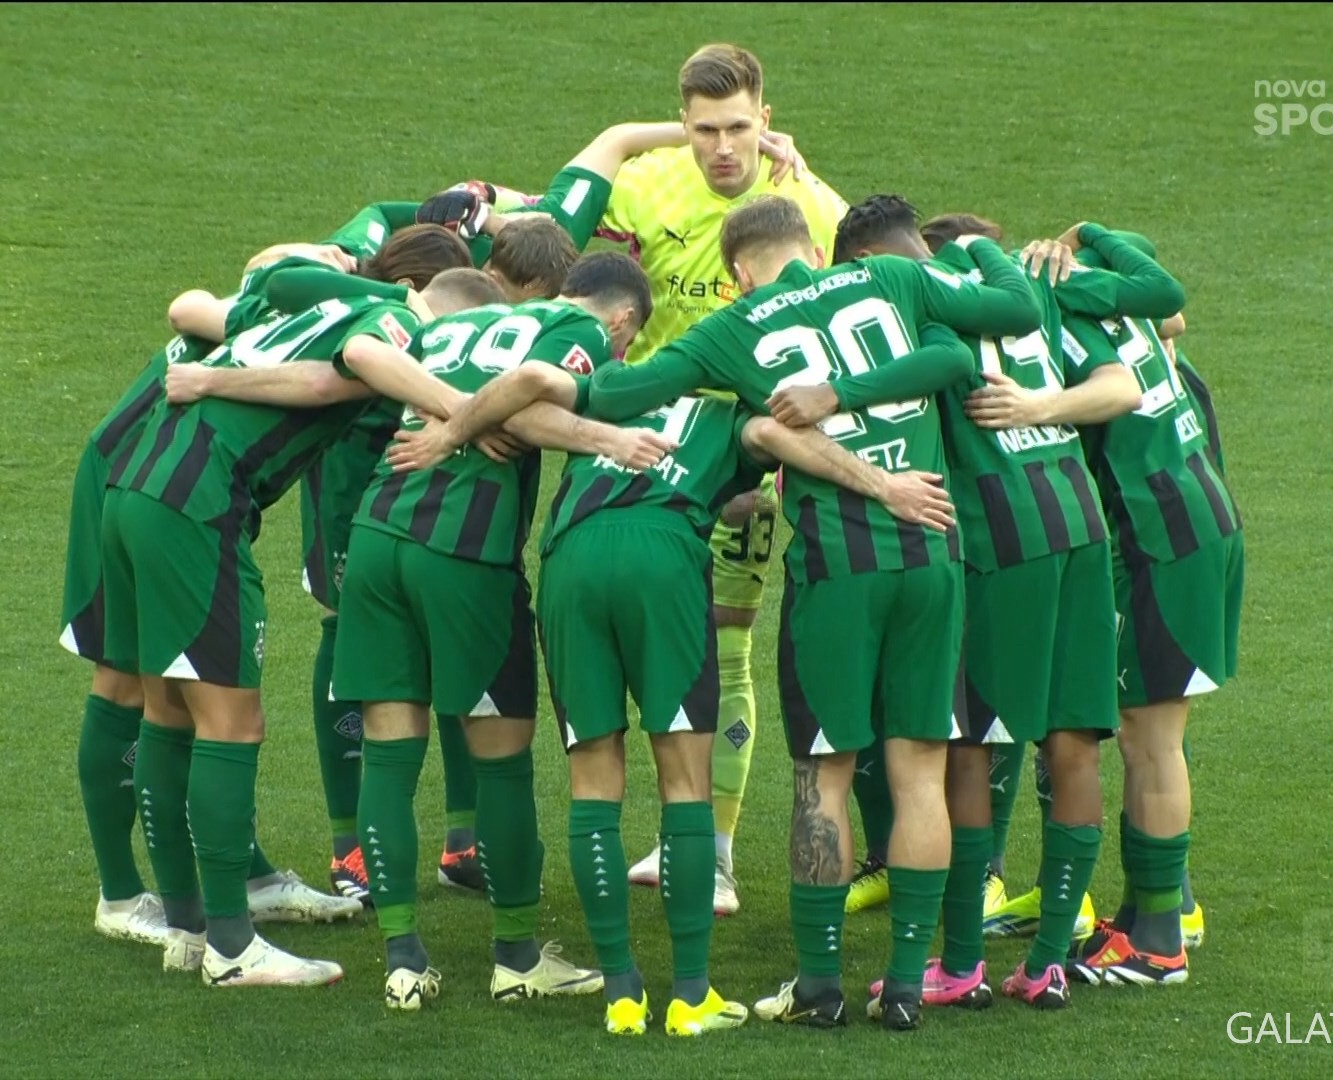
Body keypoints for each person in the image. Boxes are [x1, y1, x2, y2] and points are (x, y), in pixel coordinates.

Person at [383, 340, 956, 1036]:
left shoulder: (613, 388)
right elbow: (778, 438)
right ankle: (690, 995)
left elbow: (527, 395)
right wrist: (881, 484)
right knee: (685, 783)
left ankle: (622, 994)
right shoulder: (729, 411)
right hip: (663, 555)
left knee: (594, 784)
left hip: (571, 561)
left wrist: (461, 428)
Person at [585, 195, 1041, 1031]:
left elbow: (619, 395)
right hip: (932, 553)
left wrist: (565, 350)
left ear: (737, 273)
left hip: (837, 572)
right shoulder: (893, 277)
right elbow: (1014, 313)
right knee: (920, 772)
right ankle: (906, 984)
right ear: (817, 250)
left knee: (822, 777)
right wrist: (980, 252)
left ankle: (821, 986)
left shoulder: (731, 328)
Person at [826, 199, 1180, 1008]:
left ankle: (959, 966)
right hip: (1079, 525)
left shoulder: (912, 304)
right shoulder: (1028, 284)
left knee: (967, 751)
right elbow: (1137, 360)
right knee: (1073, 741)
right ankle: (1049, 962)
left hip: (999, 540)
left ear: (871, 262)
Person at [111, 254, 498, 987]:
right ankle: (232, 948)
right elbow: (351, 366)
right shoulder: (399, 322)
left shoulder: (320, 307)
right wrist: (461, 408)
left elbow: (261, 319)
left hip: (140, 481)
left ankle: (188, 929)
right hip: (197, 502)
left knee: (167, 711)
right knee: (231, 724)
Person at [332, 252, 668, 1011]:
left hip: (377, 534)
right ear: (620, 320)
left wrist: (448, 416)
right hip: (465, 554)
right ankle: (516, 956)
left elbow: (368, 355)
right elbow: (526, 403)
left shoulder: (466, 322)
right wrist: (605, 438)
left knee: (389, 752)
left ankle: (402, 957)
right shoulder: (580, 330)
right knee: (503, 759)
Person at [60, 242, 382, 945]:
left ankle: (245, 878)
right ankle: (122, 894)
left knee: (189, 694)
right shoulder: (331, 317)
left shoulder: (303, 299)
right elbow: (203, 315)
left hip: (171, 471)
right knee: (133, 683)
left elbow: (202, 304)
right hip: (133, 472)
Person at [598, 44, 851, 914]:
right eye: (704, 130)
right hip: (656, 455)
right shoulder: (644, 187)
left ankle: (712, 852)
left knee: (727, 644)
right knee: (652, 642)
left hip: (755, 459)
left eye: (738, 127)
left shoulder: (812, 206)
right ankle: (680, 831)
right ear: (683, 124)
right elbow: (573, 242)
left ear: (765, 121)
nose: (722, 147)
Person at [1049, 226, 1238, 987]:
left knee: (1150, 739)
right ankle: (1146, 913)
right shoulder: (1115, 299)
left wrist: (1036, 405)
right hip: (1195, 513)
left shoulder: (1056, 311)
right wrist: (1088, 237)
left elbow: (1117, 388)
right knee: (1144, 731)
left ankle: (1161, 940)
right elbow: (1173, 313)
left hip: (1161, 535)